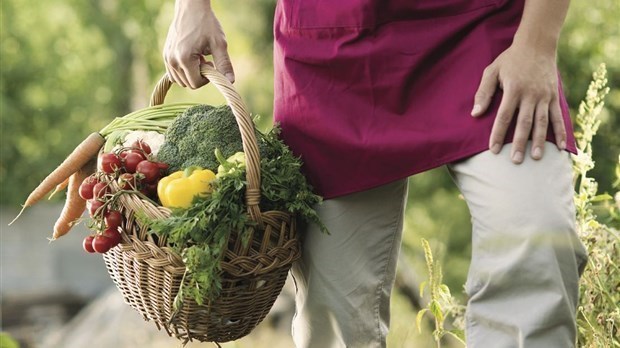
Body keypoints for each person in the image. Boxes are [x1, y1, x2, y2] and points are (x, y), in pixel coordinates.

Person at [163, 0, 588, 347]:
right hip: (332, 38)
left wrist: (537, 44)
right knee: (333, 319)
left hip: (485, 29)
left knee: (538, 239)